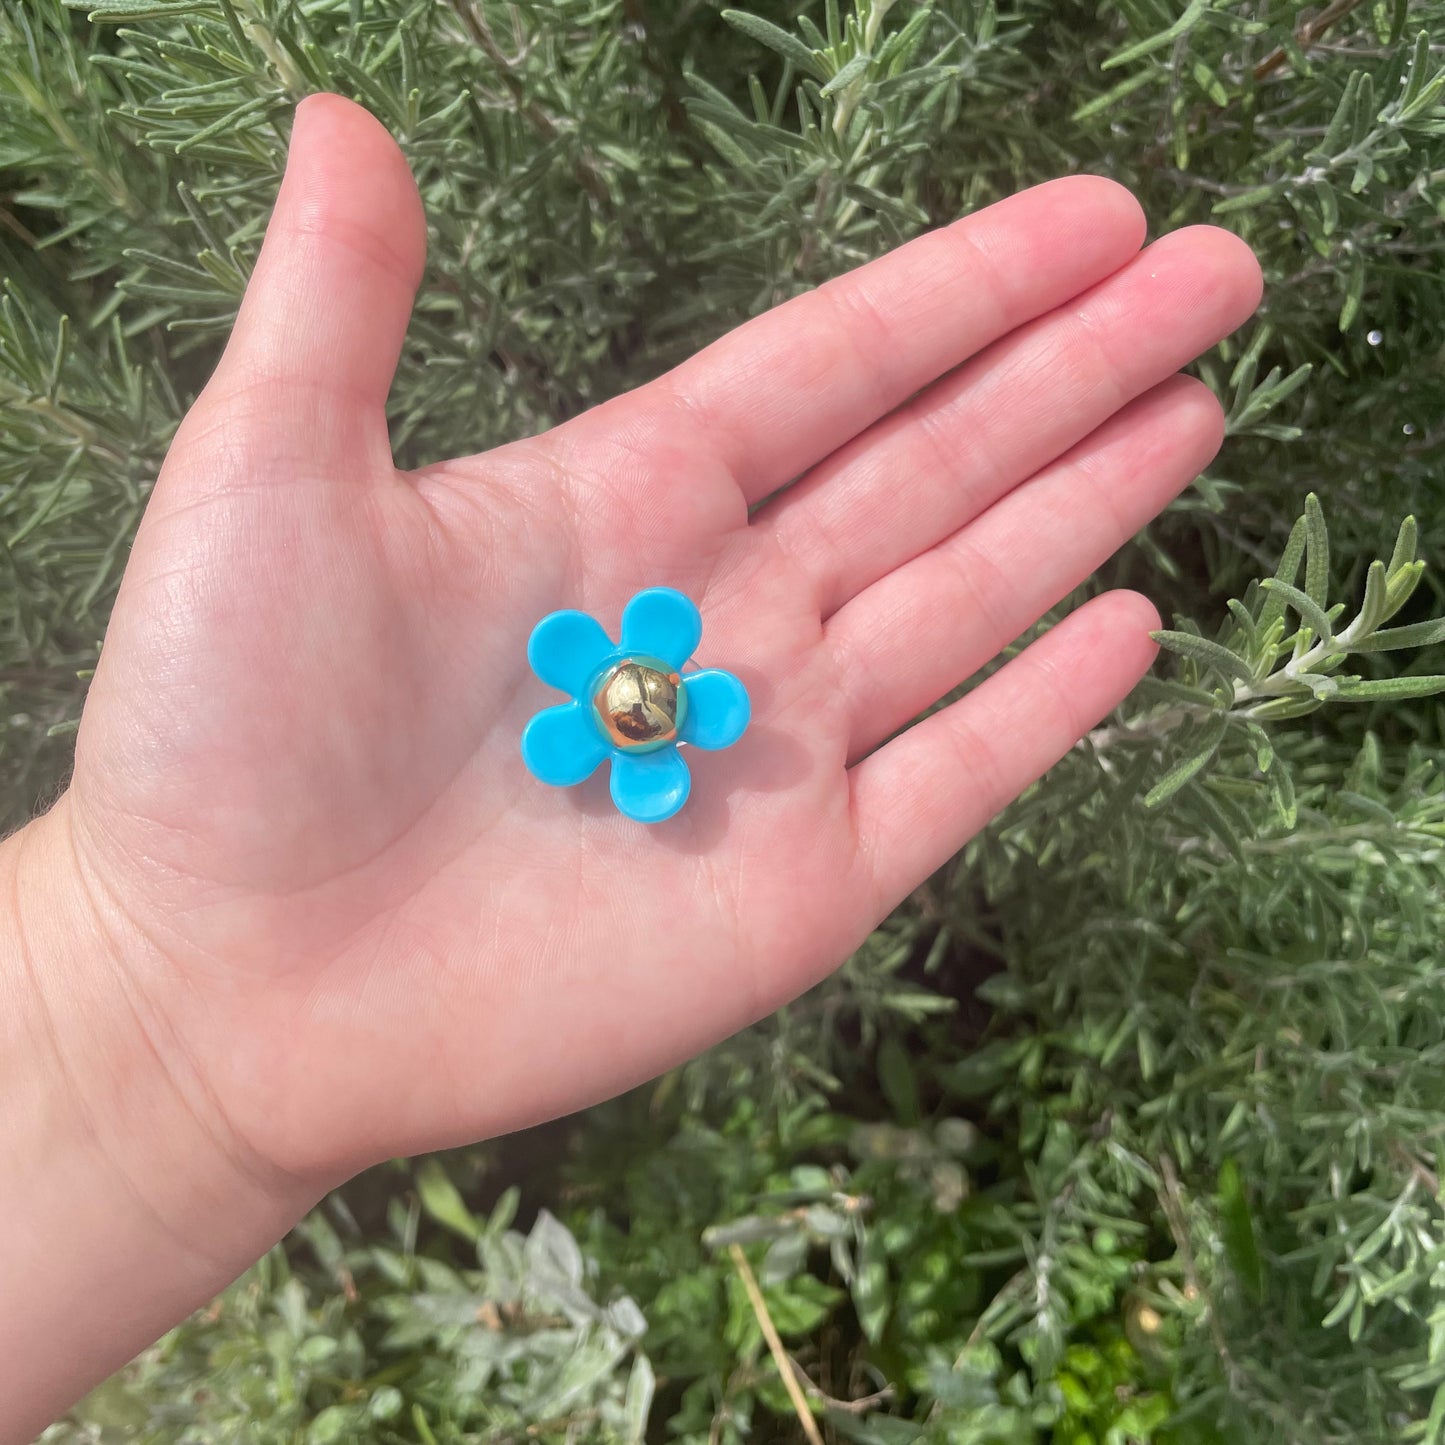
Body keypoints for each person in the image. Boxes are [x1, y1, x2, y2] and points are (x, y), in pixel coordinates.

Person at [0, 94, 1262, 1442]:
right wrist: (131, 1000)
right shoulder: (601, 707)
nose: (648, 693)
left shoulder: (640, 702)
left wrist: (128, 1006)